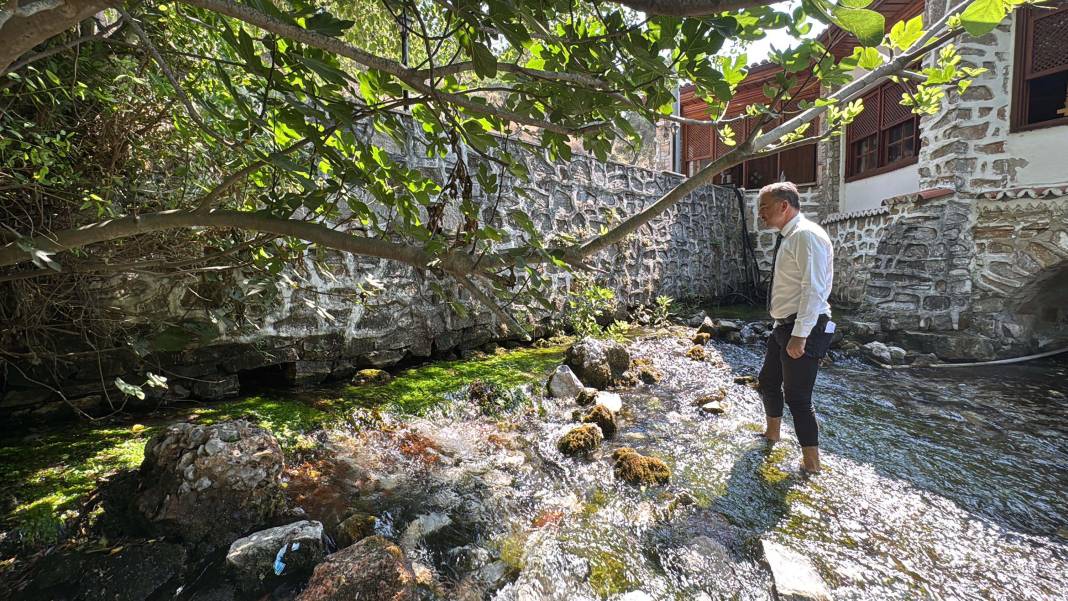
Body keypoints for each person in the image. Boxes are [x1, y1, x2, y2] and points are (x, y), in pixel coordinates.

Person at [755, 181, 835, 474]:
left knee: (798, 397)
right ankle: (772, 433)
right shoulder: (791, 236)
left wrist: (800, 335)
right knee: (767, 381)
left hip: (806, 327)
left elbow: (813, 290)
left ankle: (812, 465)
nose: (760, 214)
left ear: (783, 206)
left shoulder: (805, 236)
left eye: (763, 207)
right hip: (785, 326)